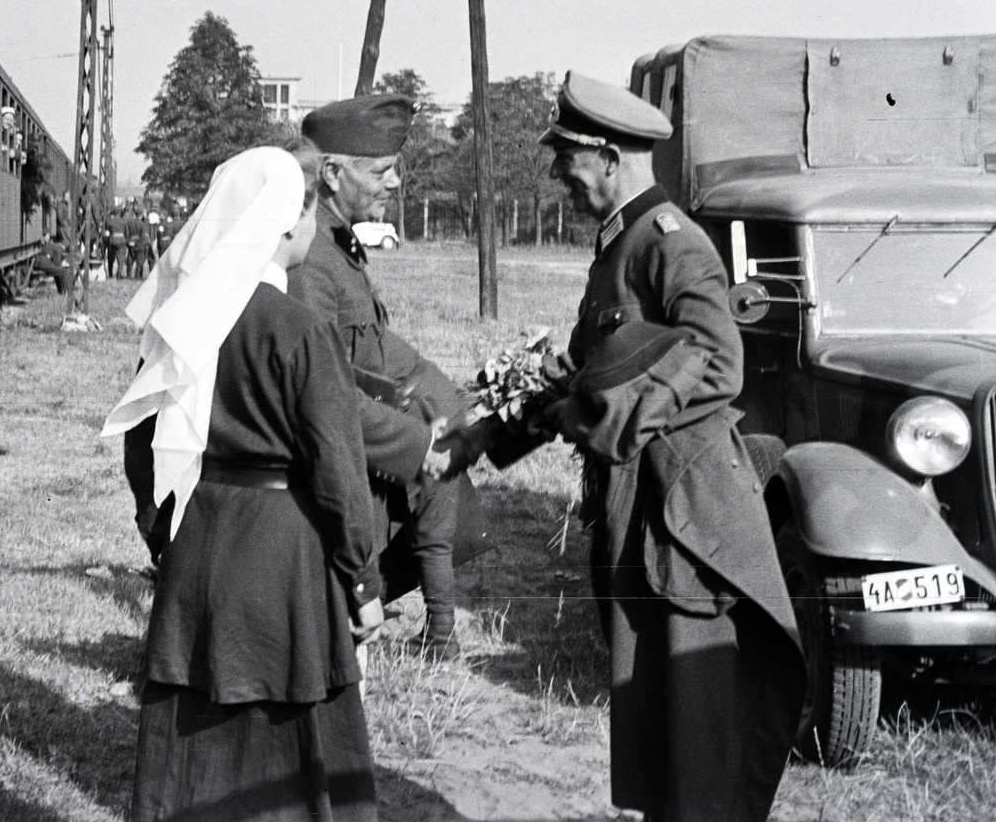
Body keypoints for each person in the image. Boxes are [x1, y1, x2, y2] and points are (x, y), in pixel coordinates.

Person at [496, 71, 804, 822]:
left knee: (700, 744)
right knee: (659, 738)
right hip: (647, 519)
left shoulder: (672, 243)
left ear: (607, 155)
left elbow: (717, 359)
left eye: (566, 156)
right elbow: (591, 374)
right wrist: (494, 432)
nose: (557, 174)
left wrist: (604, 416)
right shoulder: (619, 246)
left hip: (690, 525)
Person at [106, 147, 384, 822]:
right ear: (286, 228)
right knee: (288, 742)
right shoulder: (297, 328)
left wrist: (161, 530)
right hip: (283, 550)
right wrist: (363, 580)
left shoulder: (181, 318)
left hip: (199, 539)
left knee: (198, 737)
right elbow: (338, 471)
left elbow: (143, 445)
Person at [290, 96, 490, 660]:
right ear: (332, 173)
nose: (396, 181)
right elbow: (322, 391)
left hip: (362, 441)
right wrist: (420, 440)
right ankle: (409, 621)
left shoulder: (337, 248)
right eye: (380, 170)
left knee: (445, 446)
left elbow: (382, 351)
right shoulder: (310, 261)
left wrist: (451, 407)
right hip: (327, 468)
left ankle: (440, 630)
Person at [35, 231, 77, 295]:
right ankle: (65, 292)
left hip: (41, 260)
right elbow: (56, 263)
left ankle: (62, 292)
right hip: (43, 262)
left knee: (58, 272)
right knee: (63, 272)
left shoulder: (50, 245)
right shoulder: (58, 249)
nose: (49, 238)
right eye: (48, 236)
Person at [106, 207, 130, 278]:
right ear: (120, 213)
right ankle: (119, 274)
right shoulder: (123, 221)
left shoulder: (110, 221)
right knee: (121, 259)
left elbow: (106, 231)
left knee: (110, 258)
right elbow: (127, 233)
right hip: (121, 241)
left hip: (112, 240)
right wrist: (126, 240)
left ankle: (110, 274)